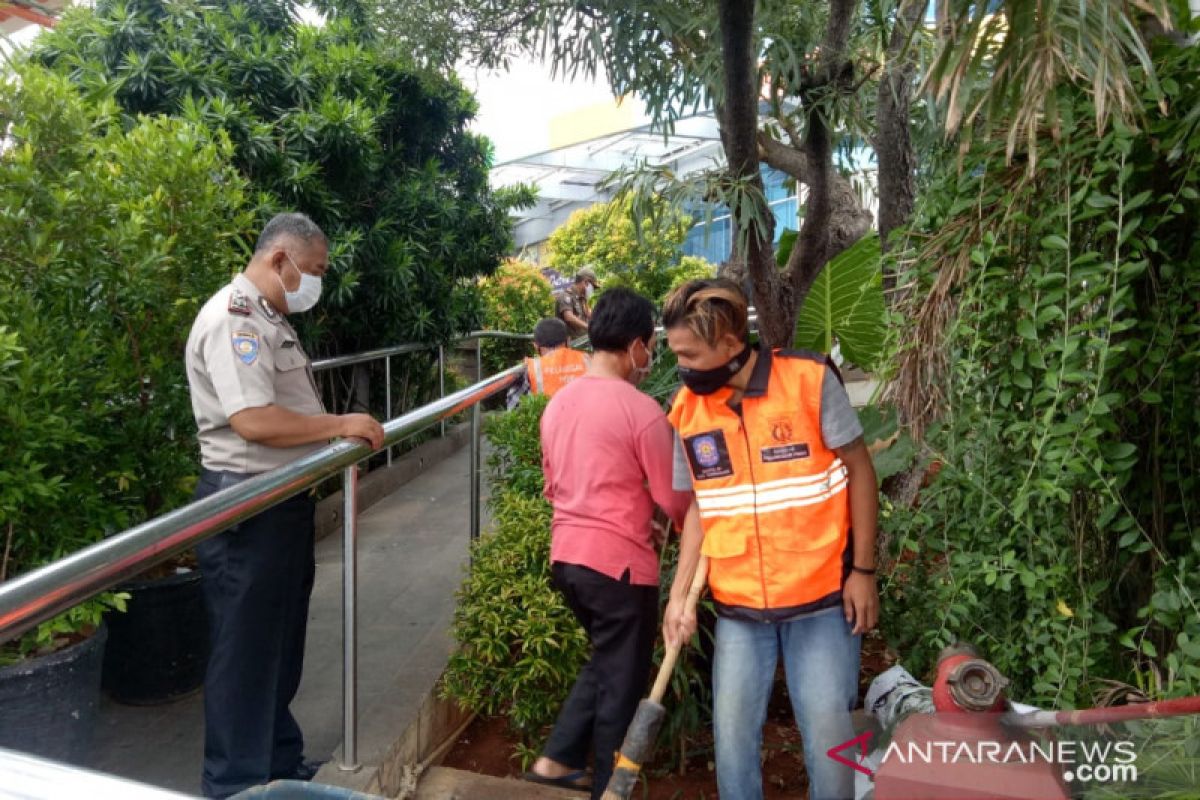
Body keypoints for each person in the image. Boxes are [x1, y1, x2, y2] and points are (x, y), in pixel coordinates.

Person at [184, 212, 385, 799]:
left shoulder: (269, 317)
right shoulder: (234, 317)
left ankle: (275, 759)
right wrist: (342, 422)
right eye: (314, 270)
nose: (315, 282)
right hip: (246, 505)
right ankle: (234, 783)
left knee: (279, 639)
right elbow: (252, 419)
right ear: (280, 260)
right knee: (245, 646)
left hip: (278, 502)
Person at [660, 279, 878, 800]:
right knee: (732, 743)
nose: (681, 366)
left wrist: (864, 572)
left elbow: (862, 473)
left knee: (830, 745)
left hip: (821, 602)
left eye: (690, 354)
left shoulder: (808, 380)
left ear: (731, 346)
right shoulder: (687, 409)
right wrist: (678, 595)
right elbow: (699, 507)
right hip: (737, 609)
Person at [525, 288, 691, 797]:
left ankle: (557, 760)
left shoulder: (558, 404)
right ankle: (608, 787)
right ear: (637, 345)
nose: (651, 358)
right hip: (619, 567)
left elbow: (556, 485)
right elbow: (676, 500)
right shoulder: (640, 410)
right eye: (651, 347)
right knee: (622, 681)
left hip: (568, 558)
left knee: (607, 659)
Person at [506, 318, 590, 409]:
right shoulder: (587, 360)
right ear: (568, 341)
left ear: (535, 345)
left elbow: (514, 409)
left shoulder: (531, 369)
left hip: (549, 421)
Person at [555, 267, 600, 337]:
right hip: (569, 344)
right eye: (593, 287)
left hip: (582, 342)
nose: (593, 290)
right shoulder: (566, 296)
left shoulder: (583, 298)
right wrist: (589, 327)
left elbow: (590, 316)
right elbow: (569, 317)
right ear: (586, 283)